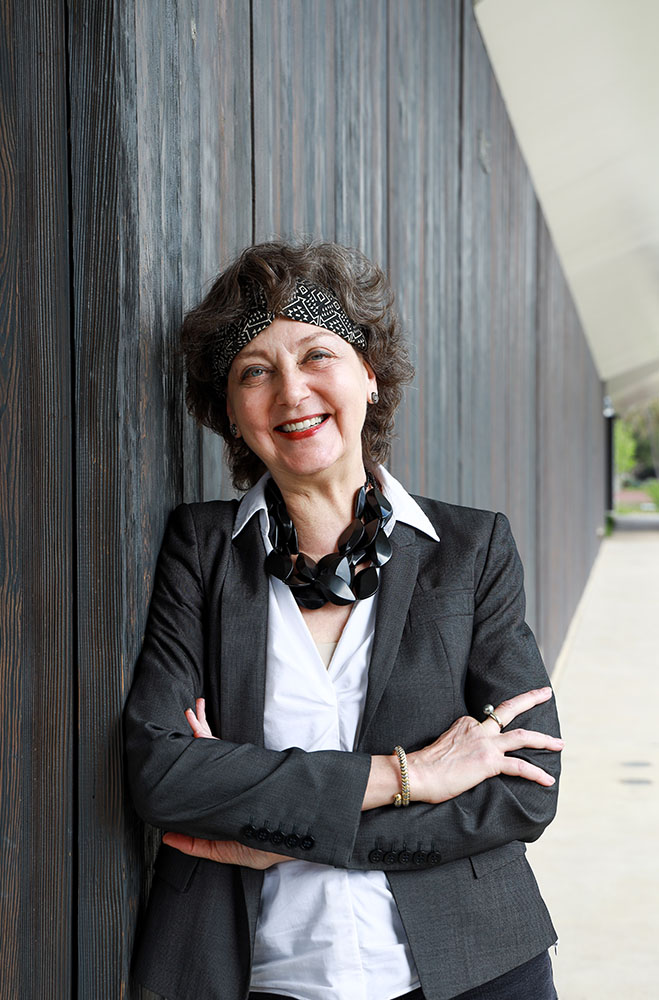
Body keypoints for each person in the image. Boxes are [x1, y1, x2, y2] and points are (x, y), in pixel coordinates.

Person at [125, 239, 563, 1000]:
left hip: (476, 967)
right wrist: (412, 776)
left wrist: (274, 833)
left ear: (366, 371)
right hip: (258, 977)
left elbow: (525, 786)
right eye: (254, 372)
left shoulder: (468, 548)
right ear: (232, 413)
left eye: (314, 355)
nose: (291, 391)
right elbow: (163, 773)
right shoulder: (201, 549)